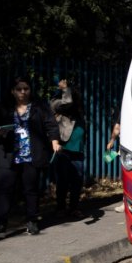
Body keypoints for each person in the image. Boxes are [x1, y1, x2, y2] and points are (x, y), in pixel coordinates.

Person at [0, 76, 61, 240]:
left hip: (31, 153)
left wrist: (54, 141)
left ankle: (32, 221)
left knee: (30, 190)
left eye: (26, 88)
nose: (22, 92)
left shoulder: (39, 106)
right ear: (12, 91)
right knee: (5, 190)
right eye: (19, 89)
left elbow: (51, 124)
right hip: (9, 154)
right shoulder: (3, 108)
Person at [51, 80, 85, 218]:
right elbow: (67, 102)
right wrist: (65, 89)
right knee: (63, 180)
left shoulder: (78, 109)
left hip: (78, 150)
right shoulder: (56, 103)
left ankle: (74, 208)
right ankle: (60, 208)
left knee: (77, 181)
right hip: (64, 148)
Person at [106, 117, 124, 213]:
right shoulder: (125, 108)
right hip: (127, 147)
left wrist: (112, 141)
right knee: (127, 177)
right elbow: (117, 127)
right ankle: (127, 202)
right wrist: (112, 141)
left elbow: (117, 127)